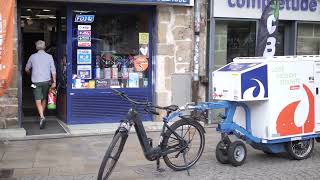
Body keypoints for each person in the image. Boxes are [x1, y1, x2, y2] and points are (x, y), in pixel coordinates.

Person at [25, 40, 56, 129]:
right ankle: (41, 115)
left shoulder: (32, 57)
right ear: (45, 47)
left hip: (36, 82)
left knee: (37, 99)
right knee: (44, 98)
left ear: (36, 47)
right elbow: (53, 70)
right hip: (46, 81)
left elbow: (26, 69)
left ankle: (42, 116)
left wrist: (30, 74)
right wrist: (54, 82)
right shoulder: (49, 57)